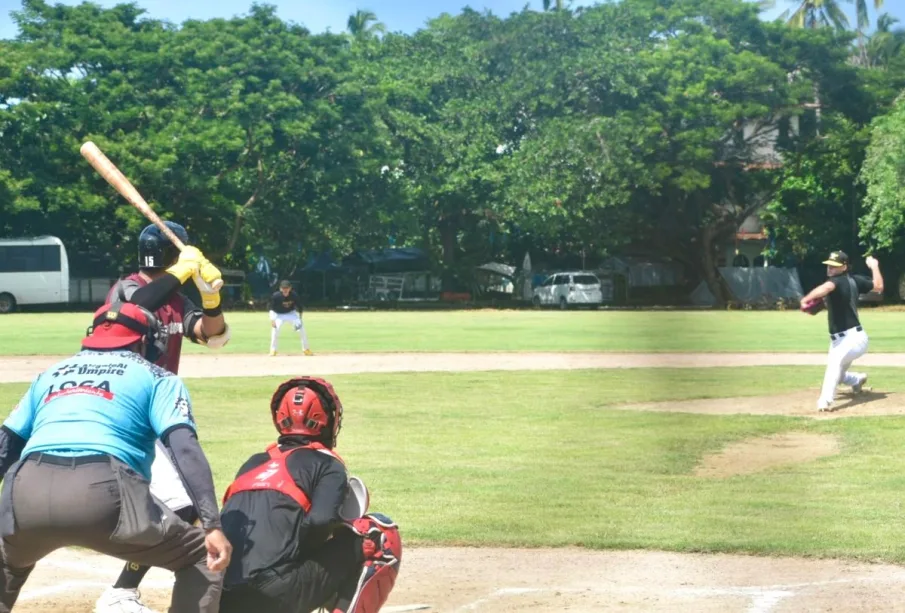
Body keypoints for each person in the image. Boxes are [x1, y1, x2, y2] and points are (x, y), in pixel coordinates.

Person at [0, 302, 232, 613]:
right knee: (202, 558)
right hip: (103, 492)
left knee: (8, 566)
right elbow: (185, 449)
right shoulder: (158, 376)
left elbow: (6, 445)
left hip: (25, 490)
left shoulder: (50, 374)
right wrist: (211, 524)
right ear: (146, 341)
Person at [96, 221, 232, 613]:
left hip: (157, 411)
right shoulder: (128, 288)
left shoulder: (175, 297)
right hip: (126, 409)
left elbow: (216, 337)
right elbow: (138, 307)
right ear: (175, 256)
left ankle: (125, 588)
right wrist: (182, 272)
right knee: (184, 502)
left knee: (180, 505)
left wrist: (210, 297)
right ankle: (121, 592)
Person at [218, 377, 401, 613]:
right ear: (326, 420)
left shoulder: (252, 462)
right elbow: (321, 521)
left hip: (222, 595)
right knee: (379, 533)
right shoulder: (326, 463)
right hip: (275, 594)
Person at [799, 250, 884, 412]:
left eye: (835, 266)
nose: (830, 268)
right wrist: (874, 267)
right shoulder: (855, 281)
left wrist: (806, 299)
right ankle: (857, 379)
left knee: (834, 363)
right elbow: (878, 285)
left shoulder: (835, 282)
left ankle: (825, 401)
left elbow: (825, 288)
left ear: (844, 267)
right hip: (840, 340)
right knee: (837, 374)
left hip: (854, 339)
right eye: (829, 265)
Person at [268, 280, 313, 356]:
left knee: (302, 329)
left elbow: (299, 307)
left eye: (287, 288)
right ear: (280, 289)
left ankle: (306, 349)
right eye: (283, 288)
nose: (285, 290)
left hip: (291, 314)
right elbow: (270, 308)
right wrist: (272, 319)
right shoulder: (276, 296)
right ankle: (273, 350)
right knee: (275, 330)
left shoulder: (294, 295)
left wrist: (299, 319)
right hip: (278, 315)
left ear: (290, 288)